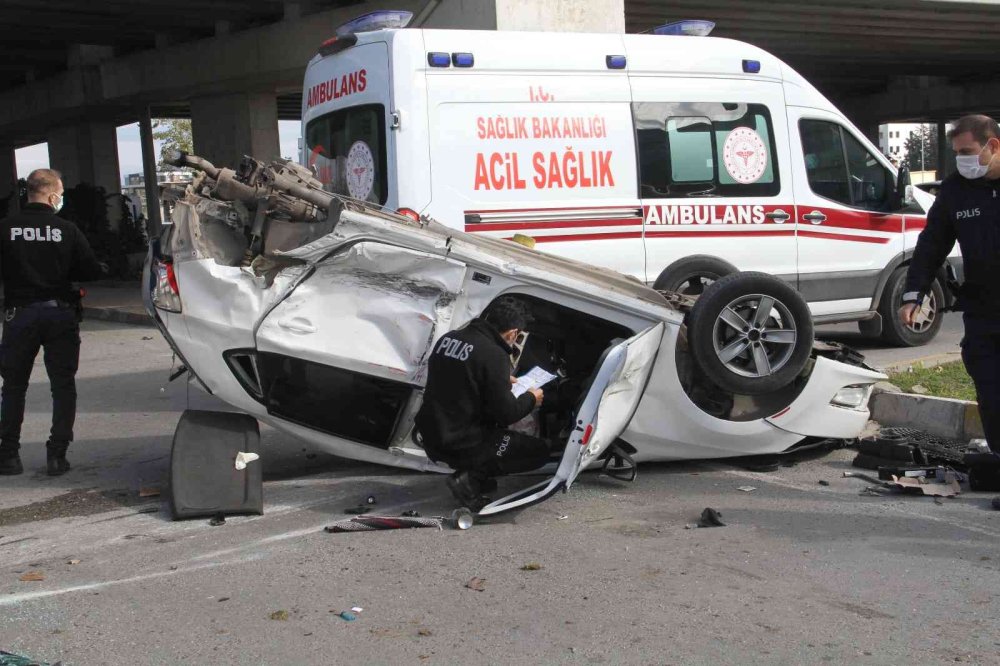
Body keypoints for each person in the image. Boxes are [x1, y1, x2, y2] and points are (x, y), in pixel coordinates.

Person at [900, 114, 1000, 509]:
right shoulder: (957, 191)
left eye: (968, 152)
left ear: (993, 146)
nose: (961, 160)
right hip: (983, 311)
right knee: (991, 392)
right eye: (956, 153)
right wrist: (913, 294)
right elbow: (931, 245)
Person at [0, 169, 104, 476]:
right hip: (60, 314)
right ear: (52, 195)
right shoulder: (66, 229)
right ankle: (57, 456)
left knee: (14, 387)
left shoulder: (5, 228)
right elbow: (91, 271)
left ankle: (8, 456)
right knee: (62, 387)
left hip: (19, 315)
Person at [415, 297, 549, 509]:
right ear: (513, 333)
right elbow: (507, 414)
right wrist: (532, 398)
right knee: (538, 451)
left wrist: (500, 381)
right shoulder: (494, 354)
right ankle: (470, 478)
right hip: (461, 441)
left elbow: (462, 378)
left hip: (431, 432)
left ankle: (477, 475)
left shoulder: (450, 338)